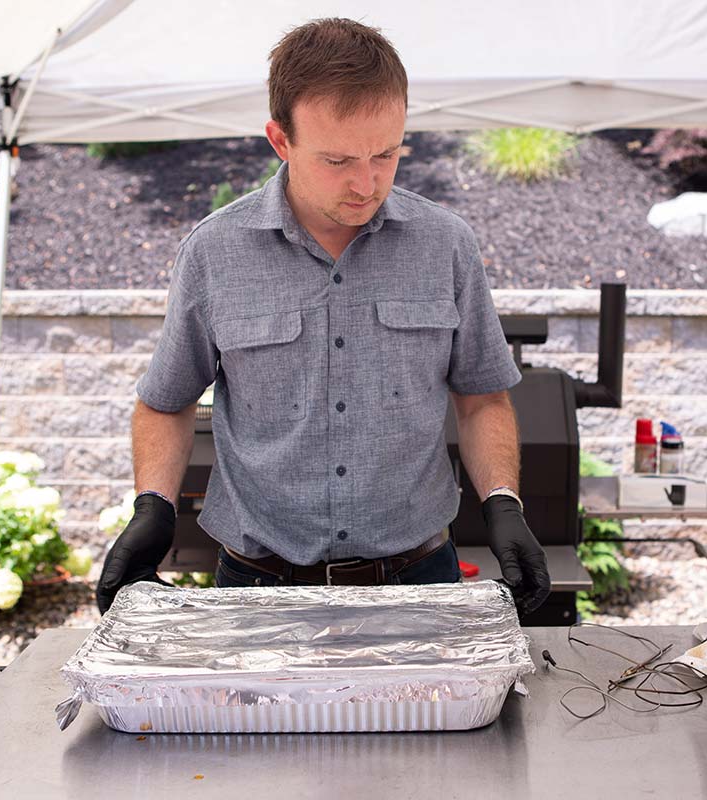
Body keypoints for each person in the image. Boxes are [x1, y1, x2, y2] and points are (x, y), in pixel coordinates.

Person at [96, 18, 550, 616]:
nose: (367, 183)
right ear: (280, 141)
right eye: (338, 160)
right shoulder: (214, 252)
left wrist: (504, 503)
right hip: (258, 587)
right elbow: (165, 401)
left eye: (387, 154)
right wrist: (152, 507)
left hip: (418, 581)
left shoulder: (447, 245)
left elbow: (481, 398)